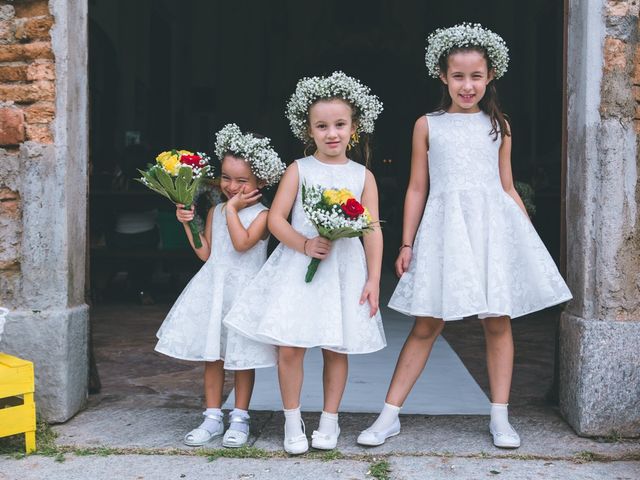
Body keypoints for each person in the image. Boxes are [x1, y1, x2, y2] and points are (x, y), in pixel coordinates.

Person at [358, 24, 572, 449]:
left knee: (497, 320)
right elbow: (418, 187)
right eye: (458, 76)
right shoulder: (428, 125)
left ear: (490, 76)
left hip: (491, 228)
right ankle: (388, 416)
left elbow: (507, 186)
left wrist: (526, 241)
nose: (467, 85)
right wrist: (407, 242)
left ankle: (500, 417)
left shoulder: (499, 125)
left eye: (476, 76)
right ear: (443, 76)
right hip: (444, 228)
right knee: (427, 322)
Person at [224, 71, 386, 454]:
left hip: (344, 270)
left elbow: (372, 228)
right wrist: (304, 243)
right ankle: (292, 421)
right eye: (322, 126)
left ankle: (329, 422)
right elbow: (277, 219)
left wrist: (374, 278)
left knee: (336, 346)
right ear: (308, 130)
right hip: (299, 270)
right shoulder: (299, 169)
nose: (332, 133)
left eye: (340, 125)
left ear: (354, 128)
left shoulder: (362, 176)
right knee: (291, 347)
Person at [155, 124, 286, 448]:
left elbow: (242, 244)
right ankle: (212, 416)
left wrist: (231, 209)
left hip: (244, 293)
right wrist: (189, 223)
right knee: (212, 356)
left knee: (241, 358)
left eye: (242, 181)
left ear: (262, 181)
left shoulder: (265, 215)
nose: (231, 186)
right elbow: (206, 253)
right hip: (215, 289)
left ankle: (239, 417)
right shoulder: (216, 210)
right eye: (226, 178)